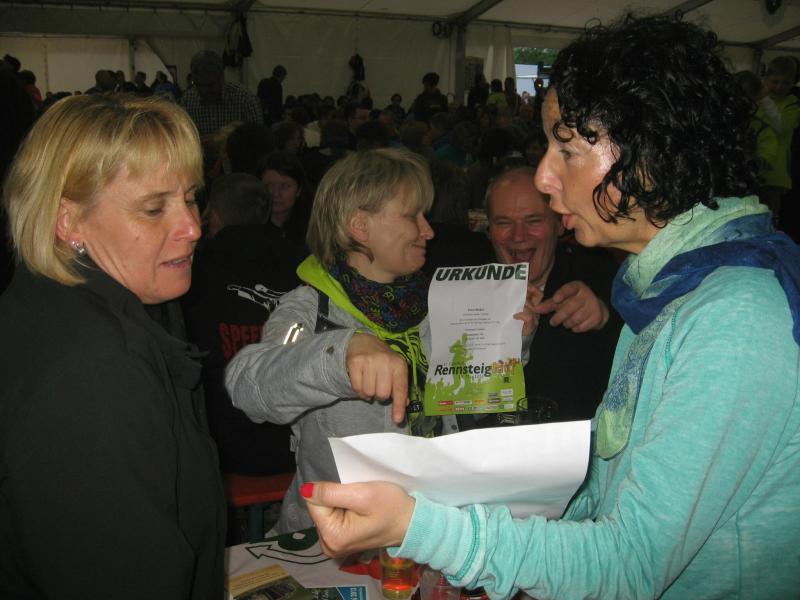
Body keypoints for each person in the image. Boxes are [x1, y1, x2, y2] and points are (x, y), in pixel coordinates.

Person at [301, 15, 800, 599]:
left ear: (651, 152)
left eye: (566, 149)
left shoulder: (733, 318)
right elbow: (607, 499)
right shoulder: (671, 294)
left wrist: (422, 527)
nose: (544, 174)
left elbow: (631, 564)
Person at [225, 148, 534, 535]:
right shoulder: (311, 309)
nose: (428, 231)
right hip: (340, 535)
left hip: (431, 525)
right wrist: (342, 353)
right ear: (360, 226)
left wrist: (511, 340)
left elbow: (470, 397)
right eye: (412, 216)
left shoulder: (434, 300)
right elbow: (247, 384)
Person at [0, 94, 225, 598]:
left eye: (191, 197)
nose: (192, 227)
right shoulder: (92, 368)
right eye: (153, 208)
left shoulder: (71, 302)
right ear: (68, 221)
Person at [467, 166, 621, 427]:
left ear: (559, 224)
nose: (519, 236)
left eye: (534, 221)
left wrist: (605, 318)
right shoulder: (466, 286)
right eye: (503, 223)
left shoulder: (597, 274)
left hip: (575, 445)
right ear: (489, 229)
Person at [183, 173, 301, 479]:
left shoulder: (192, 274)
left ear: (215, 216)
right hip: (296, 443)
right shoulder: (303, 264)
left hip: (222, 448)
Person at [180, 50, 263, 136]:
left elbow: (260, 138)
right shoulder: (187, 101)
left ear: (222, 77)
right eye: (198, 85)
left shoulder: (245, 100)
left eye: (210, 85)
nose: (204, 90)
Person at [258, 150, 313, 248]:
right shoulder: (249, 228)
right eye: (268, 186)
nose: (275, 193)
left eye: (284, 186)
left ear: (299, 190)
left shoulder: (312, 230)